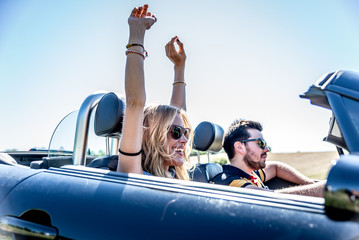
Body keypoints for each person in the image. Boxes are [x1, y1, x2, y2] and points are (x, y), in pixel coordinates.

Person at [117, 4, 192, 180]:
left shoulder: (174, 174)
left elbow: (179, 112)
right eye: (176, 132)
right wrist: (137, 33)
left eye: (185, 132)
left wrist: (179, 68)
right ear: (150, 135)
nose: (184, 140)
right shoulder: (134, 174)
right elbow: (135, 103)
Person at [212, 120, 326, 197]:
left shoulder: (251, 174)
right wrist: (321, 189)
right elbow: (270, 198)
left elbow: (276, 167)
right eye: (261, 143)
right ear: (239, 147)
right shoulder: (230, 182)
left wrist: (309, 183)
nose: (267, 149)